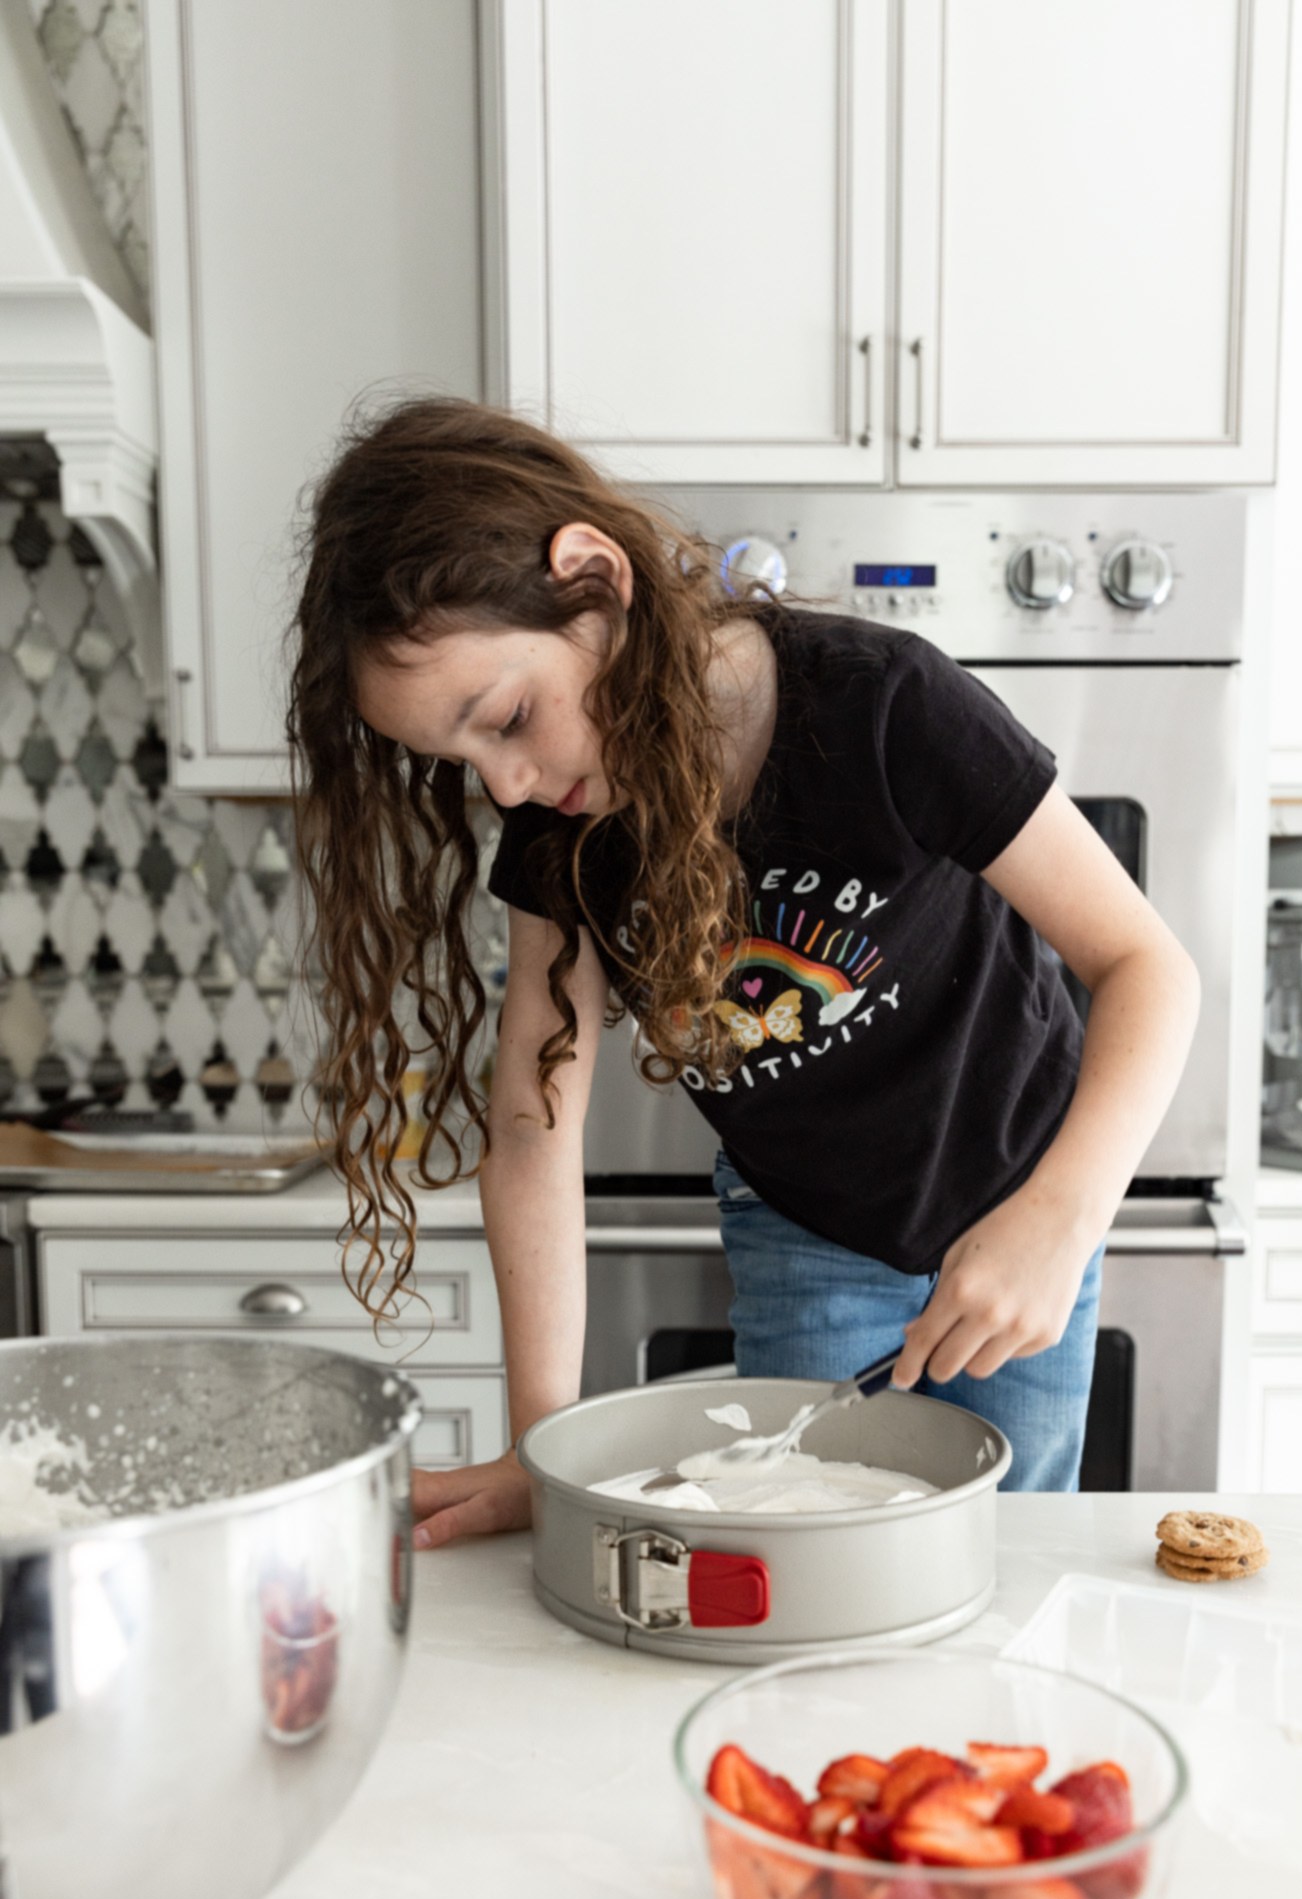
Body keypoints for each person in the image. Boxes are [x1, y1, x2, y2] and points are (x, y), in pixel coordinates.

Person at [286, 399, 1200, 1549]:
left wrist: (1060, 1222)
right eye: (464, 762)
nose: (508, 788)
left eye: (510, 718)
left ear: (595, 580)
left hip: (1028, 1185)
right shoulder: (564, 829)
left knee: (1001, 1557)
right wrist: (544, 1449)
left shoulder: (885, 706)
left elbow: (1147, 966)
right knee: (804, 1550)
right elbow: (531, 1124)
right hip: (805, 1225)